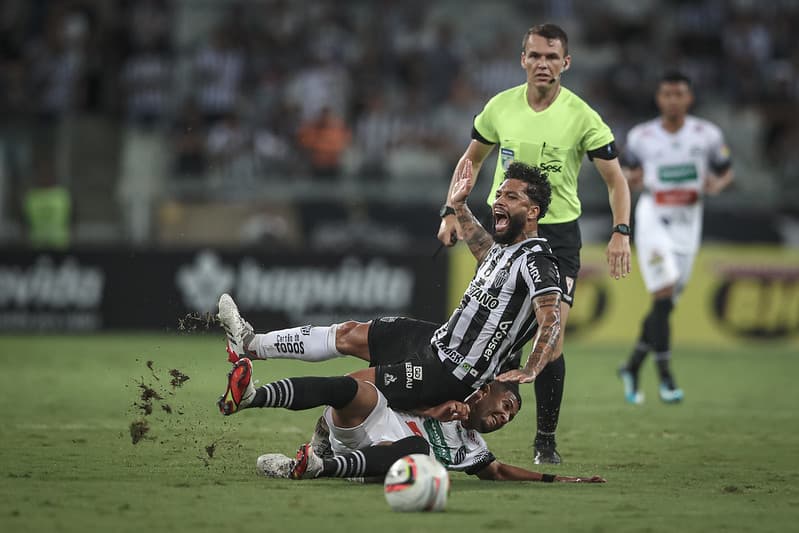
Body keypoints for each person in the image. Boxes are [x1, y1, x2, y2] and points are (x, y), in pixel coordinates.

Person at [217, 162, 563, 435]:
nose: (500, 200)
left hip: (452, 371)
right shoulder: (503, 250)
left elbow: (551, 319)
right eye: (499, 193)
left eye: (512, 197)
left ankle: (254, 400)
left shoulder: (538, 261)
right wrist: (458, 204)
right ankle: (251, 345)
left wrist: (532, 367)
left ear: (533, 212)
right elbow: (482, 247)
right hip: (435, 340)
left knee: (351, 387)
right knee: (350, 332)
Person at [436, 23, 632, 464]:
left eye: (552, 57)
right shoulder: (499, 107)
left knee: (552, 337)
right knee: (486, 338)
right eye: (535, 56)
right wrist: (451, 210)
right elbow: (470, 161)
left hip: (556, 238)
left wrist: (621, 232)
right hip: (502, 231)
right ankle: (451, 422)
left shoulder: (583, 116)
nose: (543, 64)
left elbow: (617, 181)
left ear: (567, 62)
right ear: (523, 59)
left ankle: (545, 440)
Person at [237, 362, 604, 484]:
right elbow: (390, 384)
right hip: (370, 421)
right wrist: (431, 410)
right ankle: (255, 396)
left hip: (380, 461)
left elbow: (501, 472)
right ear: (487, 389)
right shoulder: (447, 384)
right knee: (351, 388)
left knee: (419, 454)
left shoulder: (474, 448)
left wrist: (561, 479)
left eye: (511, 417)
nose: (505, 416)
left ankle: (315, 465)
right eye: (506, 404)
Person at [618, 72, 733, 404]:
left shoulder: (707, 134)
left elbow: (726, 169)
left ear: (689, 98)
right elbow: (622, 170)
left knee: (664, 306)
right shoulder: (642, 136)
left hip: (689, 221)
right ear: (659, 98)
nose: (672, 100)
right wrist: (631, 177)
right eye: (667, 94)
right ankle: (666, 378)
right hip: (654, 216)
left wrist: (718, 184)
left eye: (678, 94)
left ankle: (631, 366)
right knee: (664, 290)